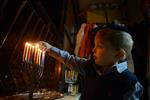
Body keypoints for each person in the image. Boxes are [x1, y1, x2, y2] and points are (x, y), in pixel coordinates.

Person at [38, 27, 143, 100]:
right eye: (94, 45)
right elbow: (69, 59)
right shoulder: (90, 67)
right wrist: (49, 48)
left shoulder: (130, 82)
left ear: (118, 54)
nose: (93, 50)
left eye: (100, 46)